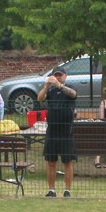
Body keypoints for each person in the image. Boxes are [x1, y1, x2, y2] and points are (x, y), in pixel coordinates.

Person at [38, 67, 77, 197]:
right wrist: (46, 86)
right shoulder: (50, 90)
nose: (58, 77)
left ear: (65, 76)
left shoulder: (69, 87)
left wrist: (59, 85)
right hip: (52, 130)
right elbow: (40, 98)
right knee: (51, 161)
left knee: (67, 161)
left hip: (66, 130)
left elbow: (73, 94)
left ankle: (67, 190)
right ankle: (51, 190)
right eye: (56, 75)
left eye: (60, 75)